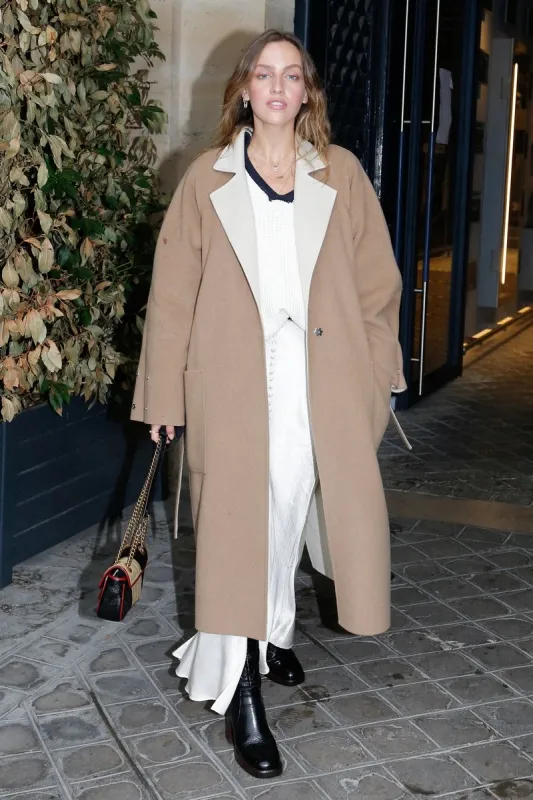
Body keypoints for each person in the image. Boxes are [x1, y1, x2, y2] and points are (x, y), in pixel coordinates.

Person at [131, 29, 407, 780]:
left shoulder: (341, 175)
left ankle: (272, 628)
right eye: (264, 73)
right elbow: (171, 299)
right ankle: (241, 688)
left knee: (288, 508)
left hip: (321, 380)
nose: (278, 86)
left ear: (306, 92)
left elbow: (379, 286)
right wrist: (161, 392)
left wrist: (378, 368)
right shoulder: (206, 180)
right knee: (239, 523)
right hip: (230, 382)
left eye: (292, 75)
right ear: (244, 90)